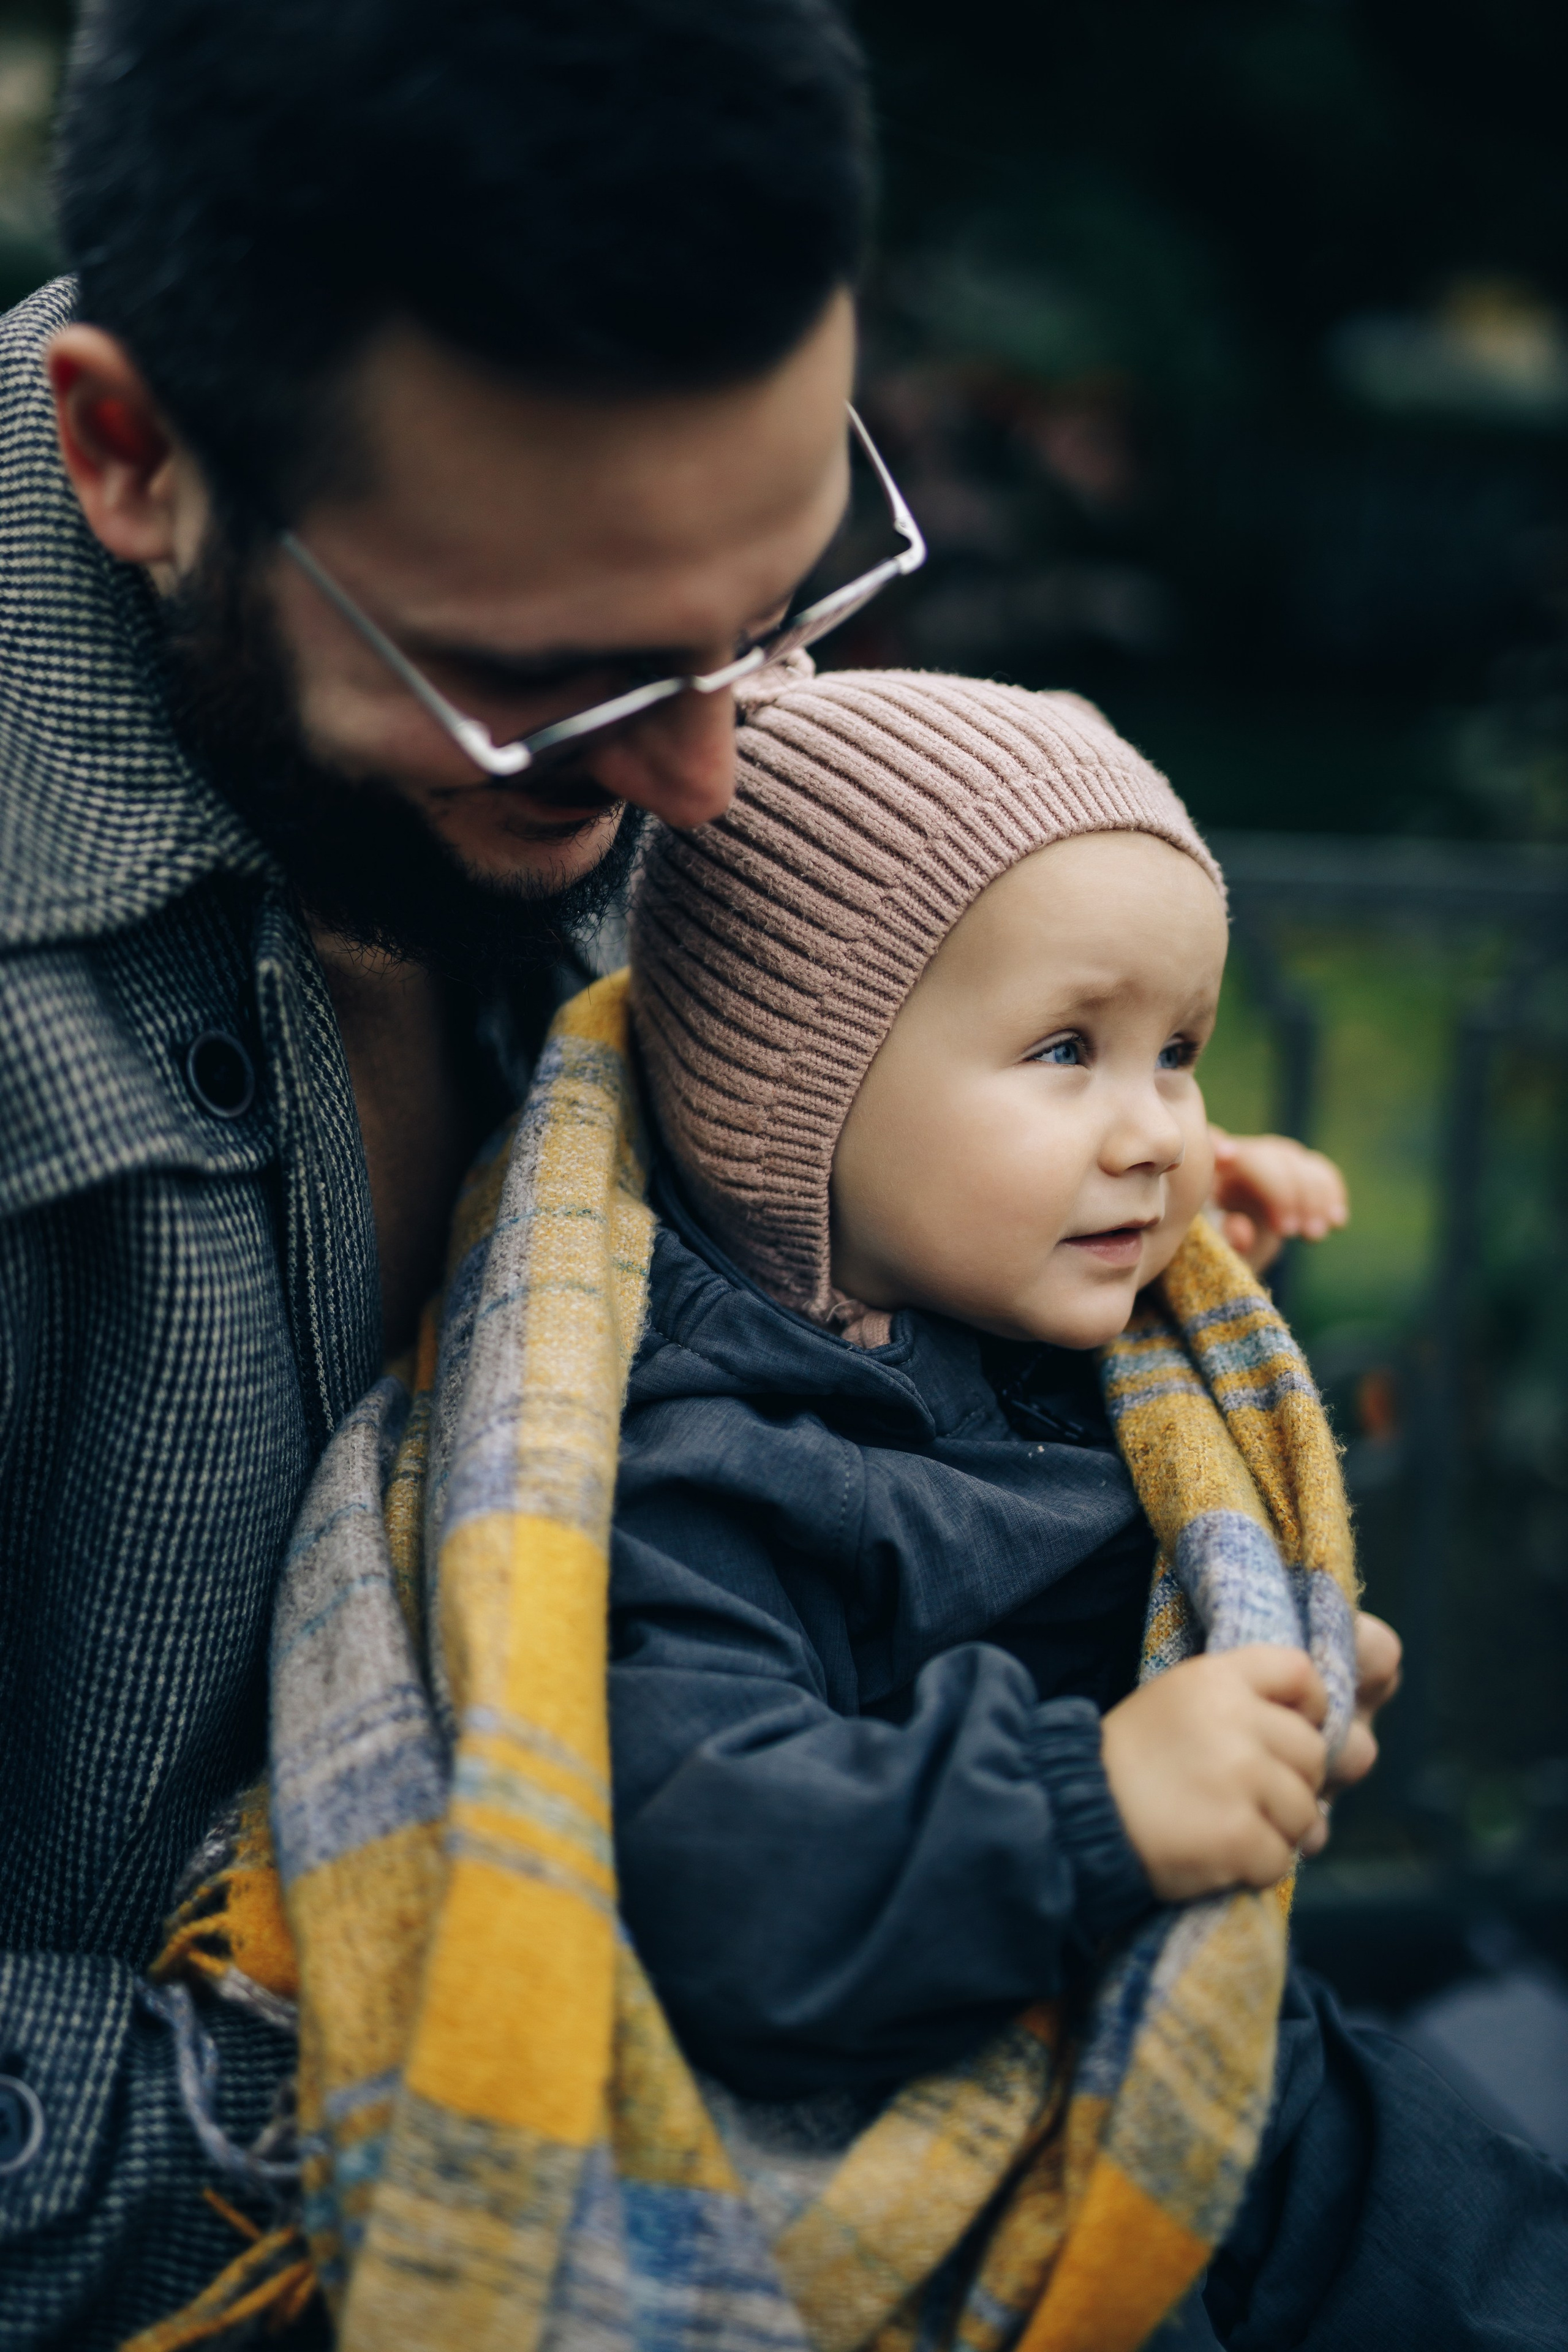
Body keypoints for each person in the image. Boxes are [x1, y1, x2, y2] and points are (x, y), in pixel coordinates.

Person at [0, 1, 1343, 2340]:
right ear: (131, 455)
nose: (715, 776)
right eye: (564, 685)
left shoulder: (602, 676)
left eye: (781, 604)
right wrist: (546, 2090)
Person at [612, 663, 1568, 2345]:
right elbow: (708, 1860)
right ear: (796, 1096)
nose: (1156, 1131)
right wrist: (1099, 1795)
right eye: (1069, 1049)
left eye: (1178, 1056)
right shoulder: (714, 1465)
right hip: (1010, 2151)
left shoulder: (979, 1313)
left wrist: (1260, 1663)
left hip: (1223, 2063)